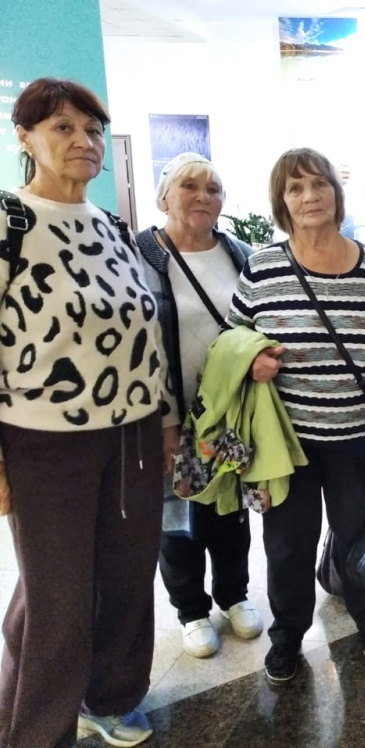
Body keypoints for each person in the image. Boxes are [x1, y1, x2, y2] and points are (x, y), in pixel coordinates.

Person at [0, 78, 174, 748]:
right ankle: (39, 731)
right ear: (25, 137)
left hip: (133, 435)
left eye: (93, 130)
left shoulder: (110, 225)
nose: (84, 141)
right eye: (64, 127)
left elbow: (143, 336)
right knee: (60, 598)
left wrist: (164, 422)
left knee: (126, 580)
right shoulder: (9, 221)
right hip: (46, 443)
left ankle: (111, 698)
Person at [227, 148, 365, 685]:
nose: (309, 196)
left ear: (336, 195)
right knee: (287, 547)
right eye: (295, 188)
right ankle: (287, 638)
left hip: (357, 437)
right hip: (286, 442)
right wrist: (251, 360)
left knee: (359, 536)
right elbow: (231, 338)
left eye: (319, 184)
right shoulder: (263, 267)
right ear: (282, 202)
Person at [134, 153, 262, 659]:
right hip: (171, 413)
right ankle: (190, 609)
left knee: (230, 508)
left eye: (213, 188)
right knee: (178, 513)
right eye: (189, 185)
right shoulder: (140, 255)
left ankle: (234, 594)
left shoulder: (239, 254)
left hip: (230, 412)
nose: (203, 196)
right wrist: (164, 420)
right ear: (164, 196)